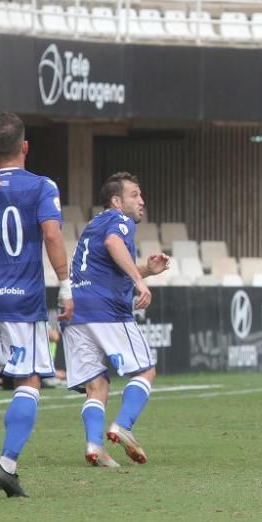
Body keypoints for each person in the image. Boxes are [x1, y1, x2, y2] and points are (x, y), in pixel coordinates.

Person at [0, 113, 73, 498]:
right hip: (22, 303)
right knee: (29, 379)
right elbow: (52, 233)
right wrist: (67, 287)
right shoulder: (41, 186)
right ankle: (7, 465)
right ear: (24, 147)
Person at [61, 173, 170, 468]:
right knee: (145, 371)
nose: (141, 200)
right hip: (106, 310)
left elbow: (106, 265)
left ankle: (95, 445)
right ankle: (123, 426)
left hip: (77, 313)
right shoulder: (119, 221)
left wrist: (146, 270)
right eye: (135, 194)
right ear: (116, 201)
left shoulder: (93, 225)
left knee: (96, 386)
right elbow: (113, 243)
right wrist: (140, 281)